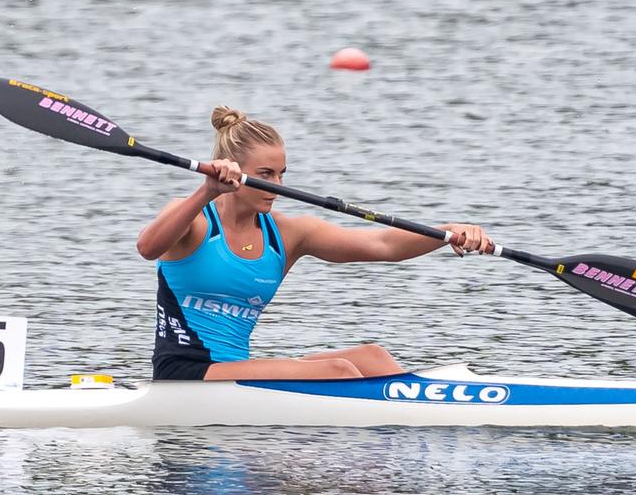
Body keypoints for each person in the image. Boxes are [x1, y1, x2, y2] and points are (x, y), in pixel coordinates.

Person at [136, 106, 495, 381]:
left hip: (237, 370)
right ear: (233, 171)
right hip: (186, 373)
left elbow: (383, 245)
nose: (276, 185)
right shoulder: (195, 219)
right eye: (265, 175)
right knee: (337, 371)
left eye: (281, 174)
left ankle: (423, 416)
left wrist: (446, 231)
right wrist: (206, 190)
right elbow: (148, 248)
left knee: (371, 357)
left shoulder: (288, 234)